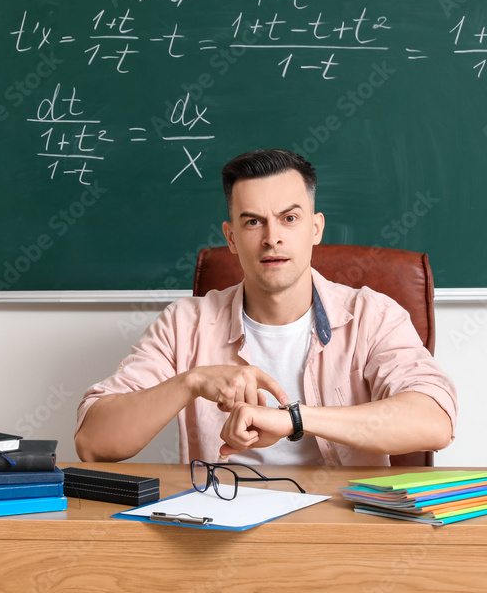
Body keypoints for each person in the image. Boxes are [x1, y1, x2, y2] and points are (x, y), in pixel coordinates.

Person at [75, 149, 457, 466]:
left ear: (316, 228)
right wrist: (190, 382)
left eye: (289, 219)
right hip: (219, 527)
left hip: (340, 530)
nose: (272, 238)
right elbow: (93, 441)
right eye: (254, 222)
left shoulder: (372, 315)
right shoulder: (184, 323)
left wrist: (294, 419)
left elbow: (435, 420)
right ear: (231, 237)